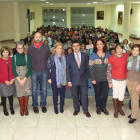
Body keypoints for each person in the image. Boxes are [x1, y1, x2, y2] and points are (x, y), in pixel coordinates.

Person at [66, 40, 91, 117]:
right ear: (72, 47)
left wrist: (86, 77)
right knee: (75, 96)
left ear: (80, 47)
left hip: (83, 79)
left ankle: (85, 110)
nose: (76, 47)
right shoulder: (69, 57)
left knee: (84, 95)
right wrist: (69, 81)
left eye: (77, 46)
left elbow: (88, 67)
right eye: (74, 46)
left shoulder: (85, 55)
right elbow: (67, 70)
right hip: (73, 80)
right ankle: (76, 109)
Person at [27, 32, 50, 114]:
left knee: (44, 89)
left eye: (39, 37)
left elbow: (48, 58)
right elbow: (28, 60)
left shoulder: (46, 47)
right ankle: (35, 105)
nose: (38, 38)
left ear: (41, 38)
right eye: (36, 37)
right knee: (34, 90)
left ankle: (43, 105)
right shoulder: (30, 48)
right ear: (34, 38)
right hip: (34, 71)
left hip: (44, 71)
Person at [89, 38, 110, 115]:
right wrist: (92, 78)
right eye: (97, 44)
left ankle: (103, 107)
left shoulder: (108, 54)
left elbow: (110, 66)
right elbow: (90, 68)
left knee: (105, 94)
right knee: (97, 93)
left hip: (106, 79)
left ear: (103, 45)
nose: (99, 45)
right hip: (96, 79)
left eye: (101, 44)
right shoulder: (93, 55)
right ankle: (98, 107)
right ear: (95, 45)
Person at [107, 43, 128, 118]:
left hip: (124, 79)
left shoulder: (126, 56)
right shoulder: (111, 57)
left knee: (121, 95)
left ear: (123, 49)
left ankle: (120, 108)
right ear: (115, 49)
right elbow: (108, 70)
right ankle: (116, 110)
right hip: (114, 79)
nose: (119, 50)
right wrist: (109, 82)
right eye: (117, 48)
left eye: (120, 48)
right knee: (115, 94)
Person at [12, 41, 32, 116]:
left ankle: (26, 108)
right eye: (19, 48)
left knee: (26, 92)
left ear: (23, 48)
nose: (20, 50)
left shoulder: (27, 57)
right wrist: (19, 80)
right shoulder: (14, 58)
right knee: (20, 93)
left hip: (26, 77)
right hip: (18, 77)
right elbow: (13, 69)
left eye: (22, 48)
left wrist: (24, 79)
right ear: (16, 49)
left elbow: (29, 68)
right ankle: (21, 108)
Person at [47, 42, 67, 114]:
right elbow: (48, 68)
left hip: (63, 78)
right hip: (54, 78)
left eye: (60, 48)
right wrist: (49, 78)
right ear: (55, 49)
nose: (59, 50)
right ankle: (55, 106)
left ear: (62, 49)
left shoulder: (64, 57)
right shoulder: (51, 57)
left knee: (62, 93)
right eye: (58, 48)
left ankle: (61, 106)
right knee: (55, 94)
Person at [0, 46, 15, 116]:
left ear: (9, 53)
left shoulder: (12, 60)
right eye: (4, 52)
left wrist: (12, 79)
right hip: (3, 82)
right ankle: (5, 109)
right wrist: (4, 80)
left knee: (10, 95)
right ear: (1, 53)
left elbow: (14, 70)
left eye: (7, 52)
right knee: (3, 95)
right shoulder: (0, 61)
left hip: (11, 80)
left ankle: (11, 108)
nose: (5, 54)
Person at [127, 44, 140, 124]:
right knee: (132, 98)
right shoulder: (129, 58)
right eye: (134, 50)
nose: (135, 52)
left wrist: (139, 85)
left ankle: (134, 116)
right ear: (131, 50)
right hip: (128, 81)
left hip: (136, 82)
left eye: (137, 50)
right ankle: (133, 112)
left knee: (135, 99)